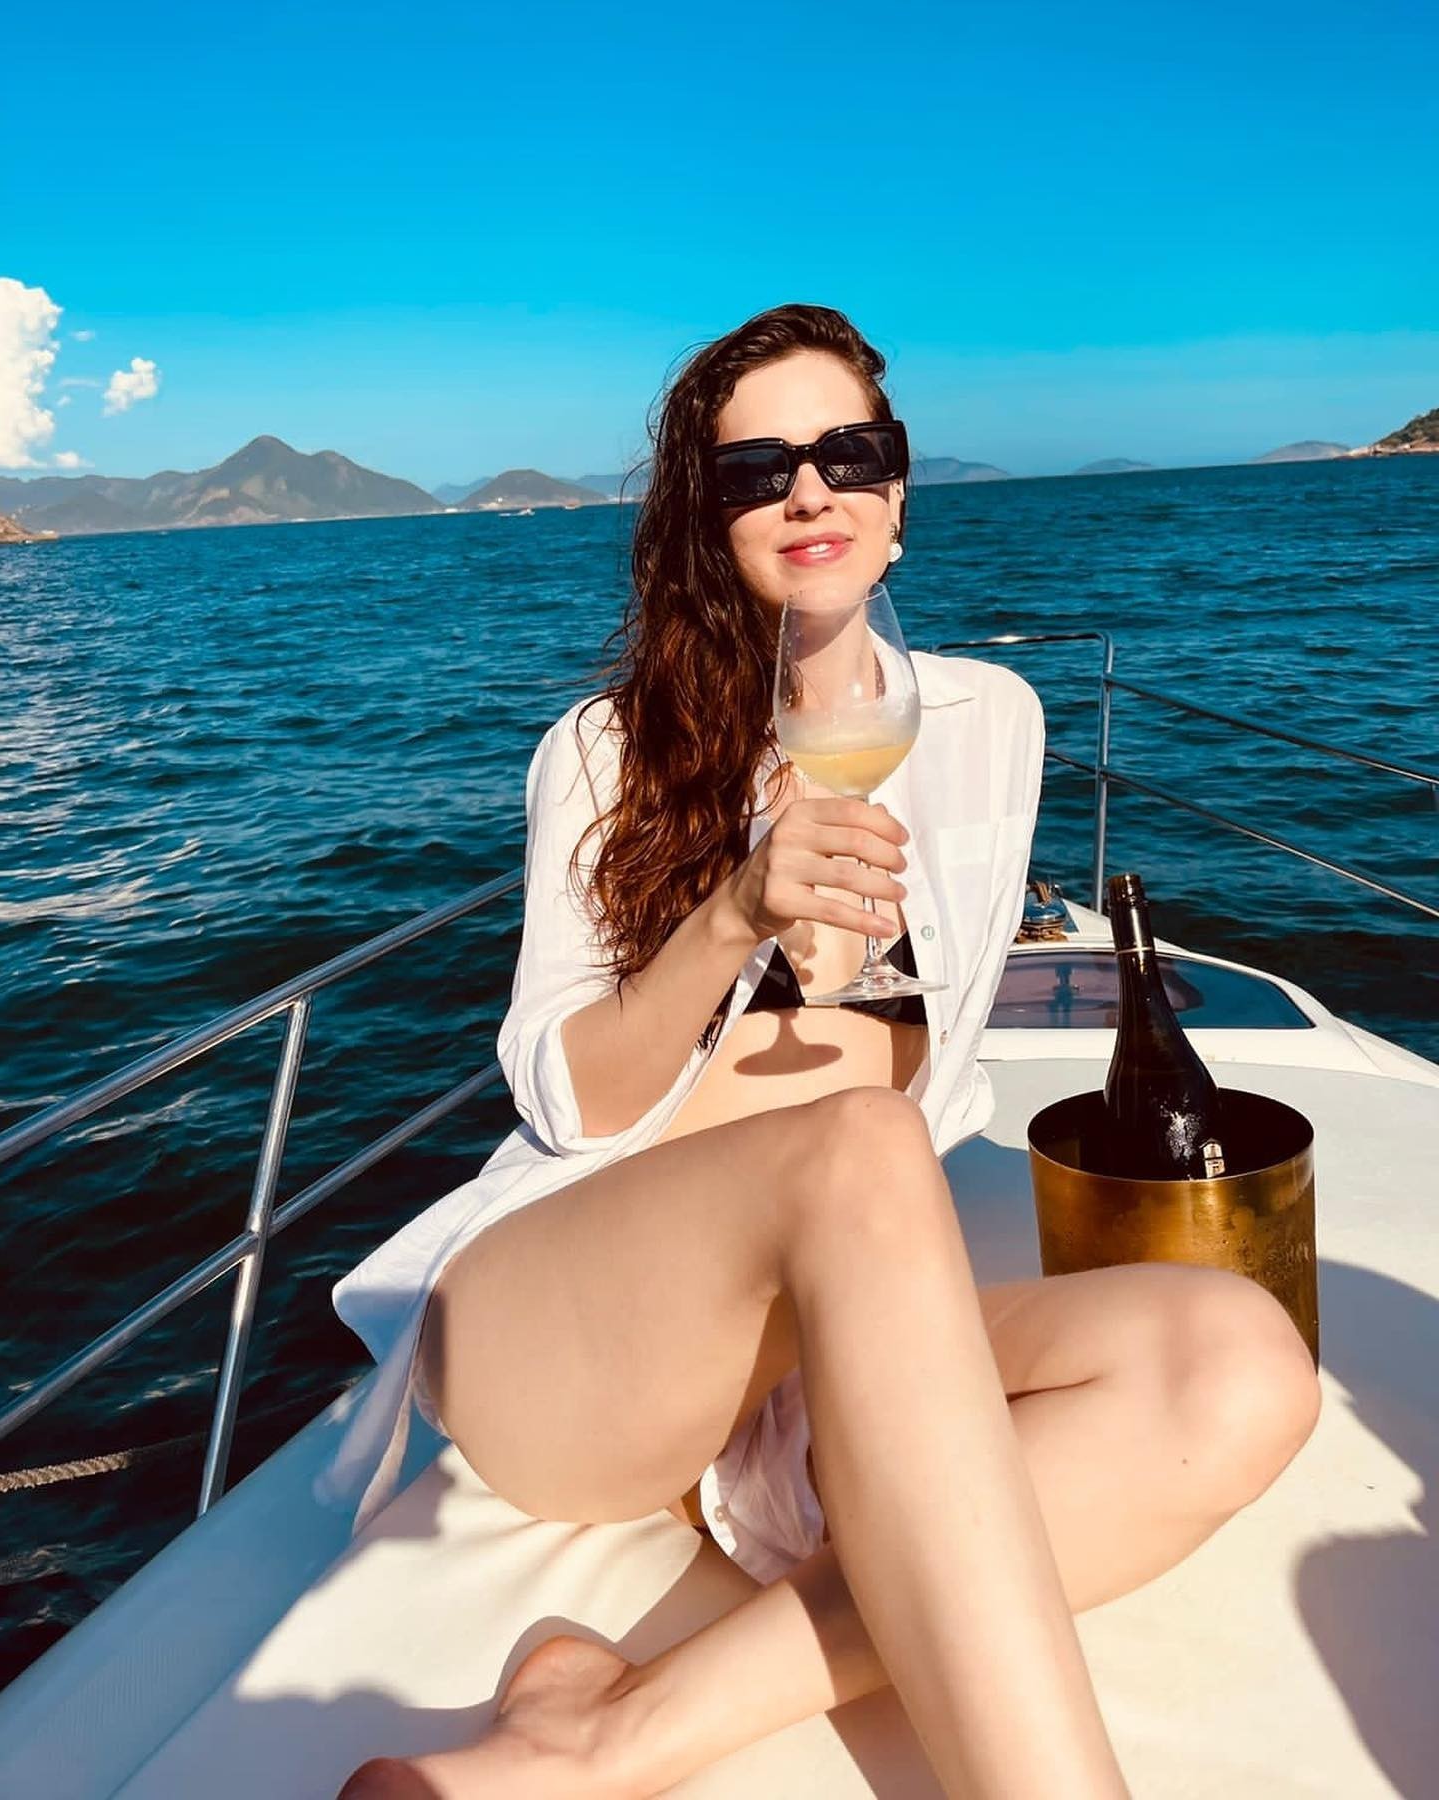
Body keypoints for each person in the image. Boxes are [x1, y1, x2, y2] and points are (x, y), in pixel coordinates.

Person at [333, 304, 1321, 1799]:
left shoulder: (990, 721)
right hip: (588, 1330)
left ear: (898, 491)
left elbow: (945, 1060)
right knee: (858, 1144)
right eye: (757, 470)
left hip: (804, 1358)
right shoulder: (605, 752)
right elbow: (564, 1100)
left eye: (849, 452)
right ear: (707, 517)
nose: (810, 490)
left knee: (1240, 1362)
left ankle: (610, 1734)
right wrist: (733, 912)